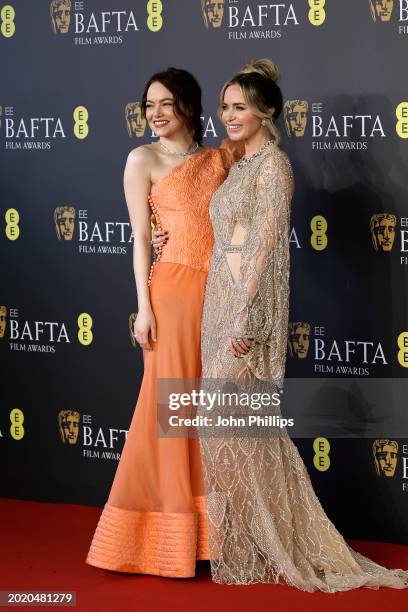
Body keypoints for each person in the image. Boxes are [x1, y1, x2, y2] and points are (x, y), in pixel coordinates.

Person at [154, 59, 408, 592]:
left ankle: (282, 543)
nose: (228, 116)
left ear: (268, 111)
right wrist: (166, 241)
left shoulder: (274, 168)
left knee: (242, 429)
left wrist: (245, 316)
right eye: (224, 107)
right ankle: (251, 543)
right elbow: (218, 229)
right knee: (232, 429)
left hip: (246, 310)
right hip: (219, 302)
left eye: (240, 107)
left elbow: (264, 247)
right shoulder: (242, 165)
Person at [85, 67, 236, 578]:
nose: (155, 113)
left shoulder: (219, 158)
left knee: (210, 404)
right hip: (169, 291)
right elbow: (141, 239)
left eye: (166, 103)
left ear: (189, 107)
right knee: (169, 400)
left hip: (219, 292)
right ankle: (169, 532)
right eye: (149, 104)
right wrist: (143, 307)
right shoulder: (141, 159)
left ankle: (215, 534)